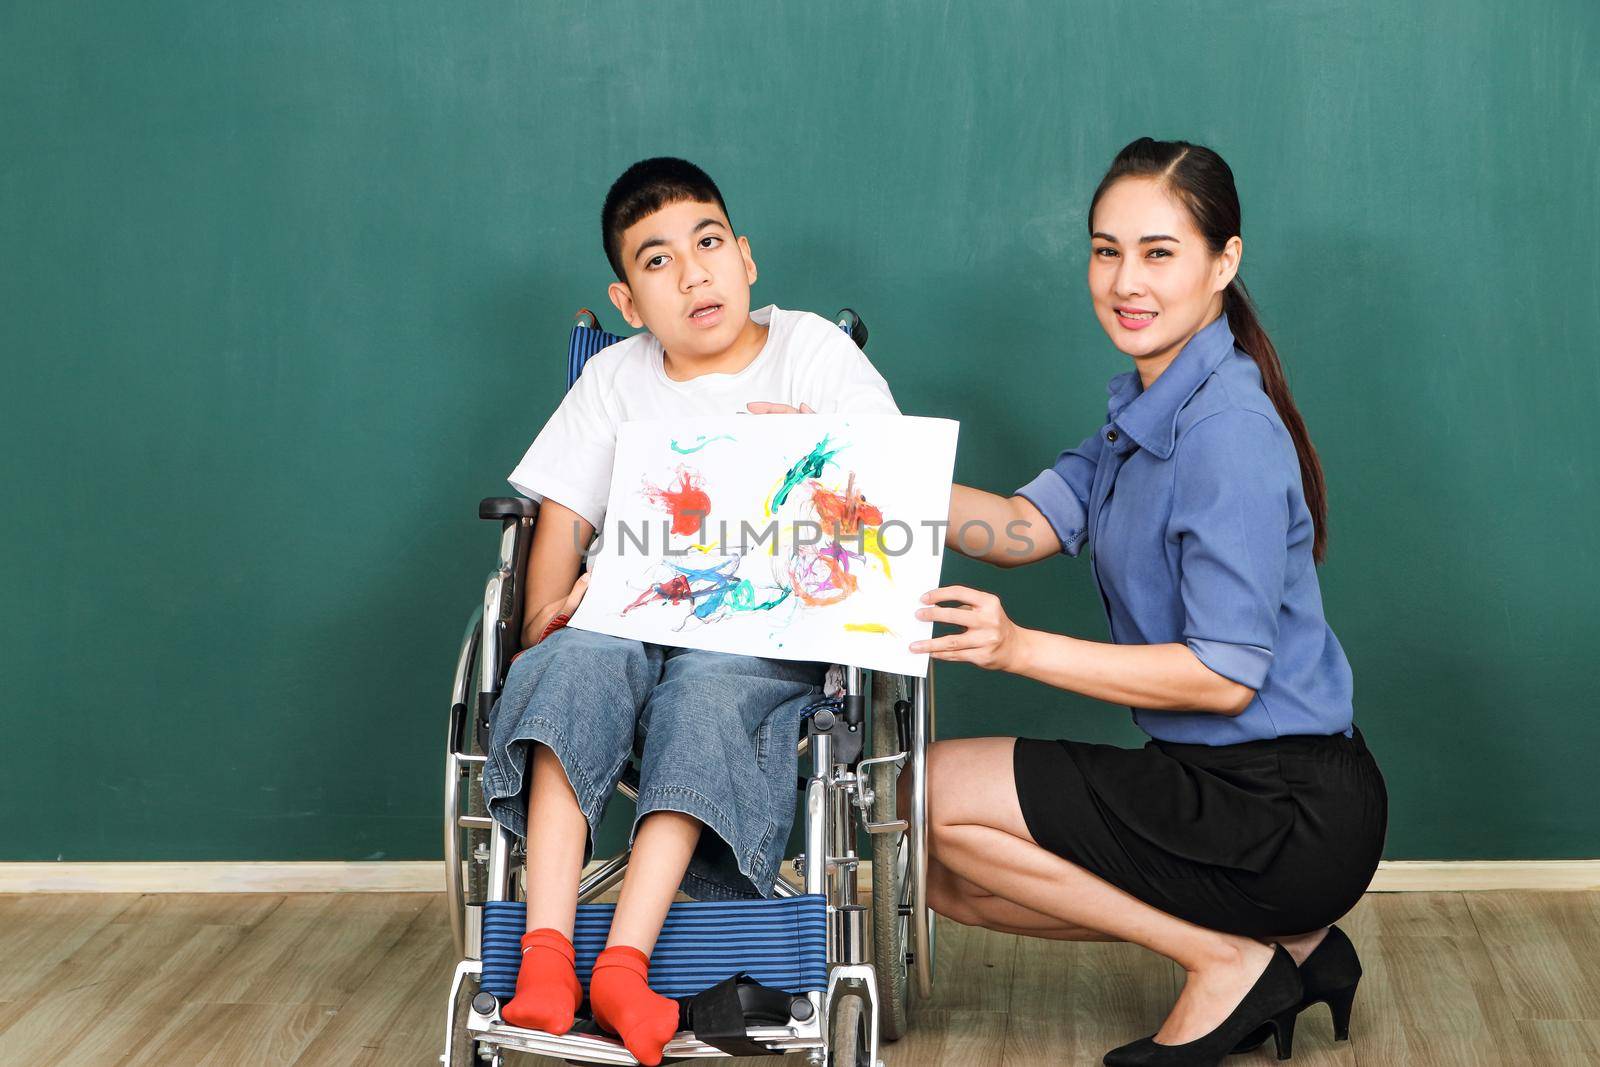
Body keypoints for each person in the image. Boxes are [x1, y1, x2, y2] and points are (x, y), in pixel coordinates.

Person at [908, 138, 1387, 1066]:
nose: (1126, 280)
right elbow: (1019, 528)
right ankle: (1292, 950)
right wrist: (856, 469)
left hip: (1283, 806)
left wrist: (1019, 650)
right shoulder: (1147, 407)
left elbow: (1224, 677)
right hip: (1222, 787)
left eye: (1159, 252)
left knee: (925, 797)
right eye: (1105, 249)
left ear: (1225, 261)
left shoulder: (1227, 433)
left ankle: (1225, 960)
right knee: (943, 875)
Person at [481, 156, 898, 1065]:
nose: (694, 271)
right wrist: (546, 611)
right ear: (629, 301)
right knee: (571, 660)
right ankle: (549, 954)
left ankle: (625, 961)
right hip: (626, 614)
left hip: (756, 629)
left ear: (745, 258)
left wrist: (817, 455)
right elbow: (563, 520)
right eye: (657, 260)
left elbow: (879, 500)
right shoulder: (614, 381)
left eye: (708, 243)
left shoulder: (816, 354)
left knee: (708, 693)